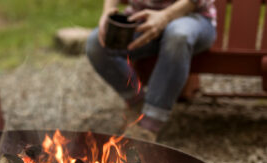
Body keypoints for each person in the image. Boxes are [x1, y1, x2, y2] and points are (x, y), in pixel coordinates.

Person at [86, 0, 216, 141]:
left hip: (192, 18)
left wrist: (164, 17)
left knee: (178, 35)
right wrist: (108, 11)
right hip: (141, 19)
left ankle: (149, 124)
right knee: (97, 45)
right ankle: (138, 104)